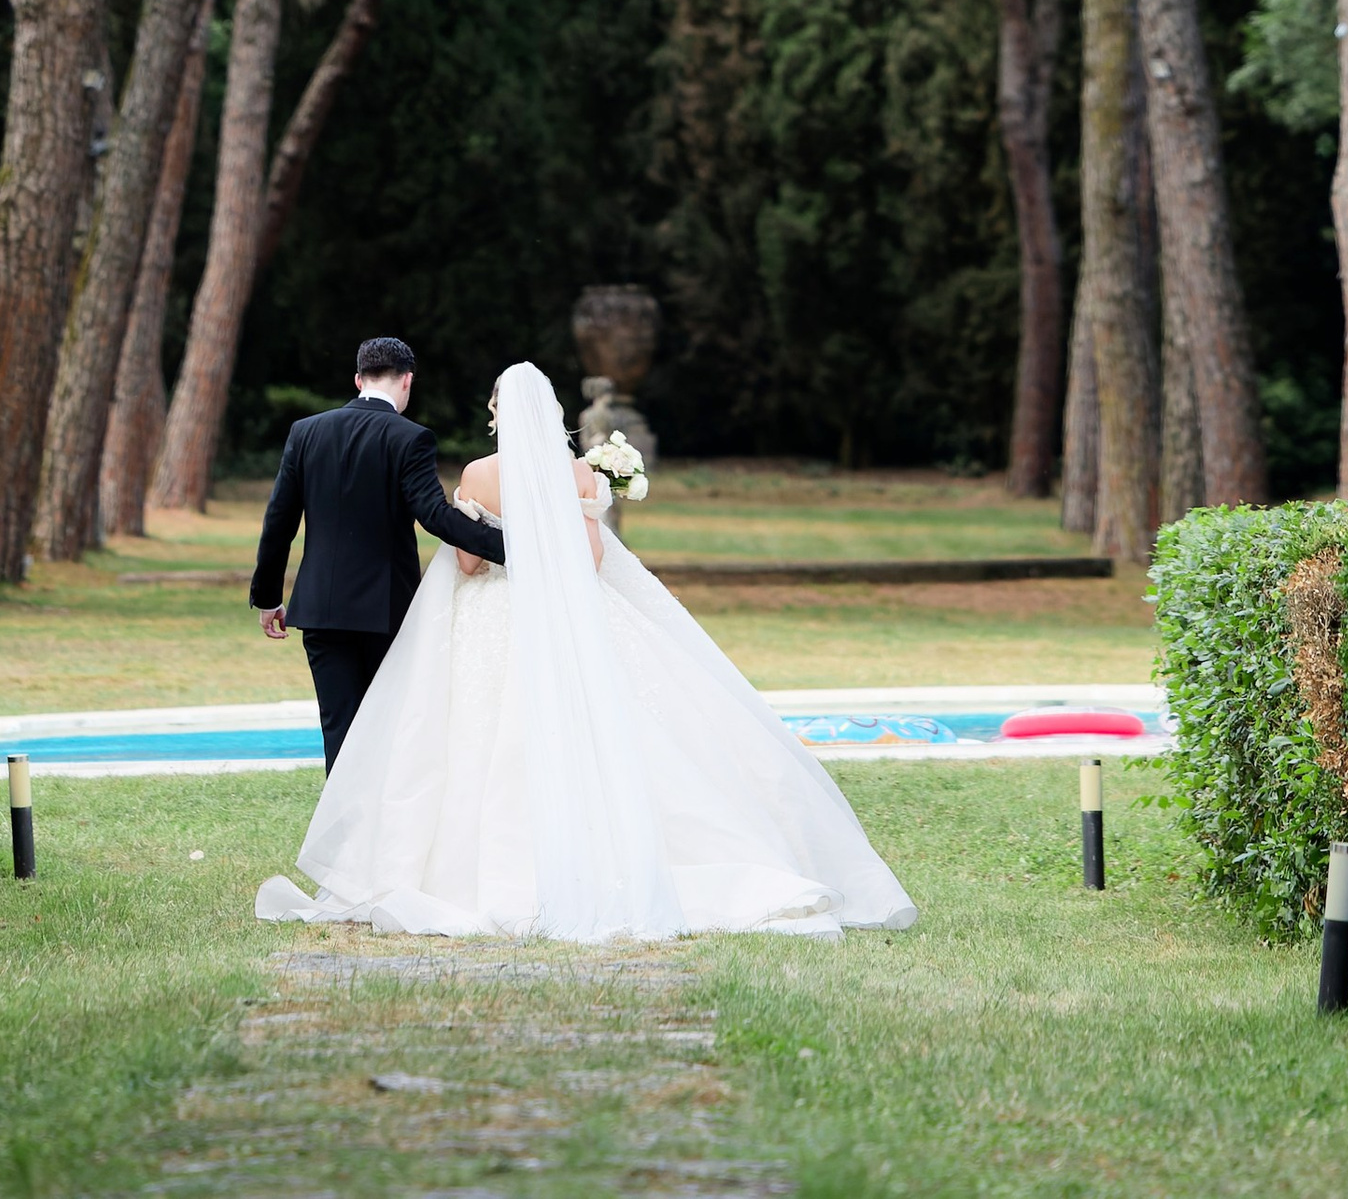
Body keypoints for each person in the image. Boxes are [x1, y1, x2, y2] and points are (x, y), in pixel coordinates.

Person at [256, 358, 916, 940]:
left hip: (484, 615)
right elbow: (593, 560)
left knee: (464, 735)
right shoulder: (577, 472)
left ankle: (405, 859)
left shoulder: (479, 474)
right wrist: (546, 553)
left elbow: (466, 563)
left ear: (498, 413)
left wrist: (500, 548)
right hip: (565, 611)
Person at [249, 333, 508, 769]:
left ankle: (340, 813)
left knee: (339, 726)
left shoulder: (305, 432)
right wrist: (511, 547)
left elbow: (279, 521)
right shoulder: (410, 437)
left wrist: (268, 597)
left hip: (320, 608)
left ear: (358, 379)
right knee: (388, 724)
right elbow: (434, 515)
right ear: (407, 380)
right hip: (384, 606)